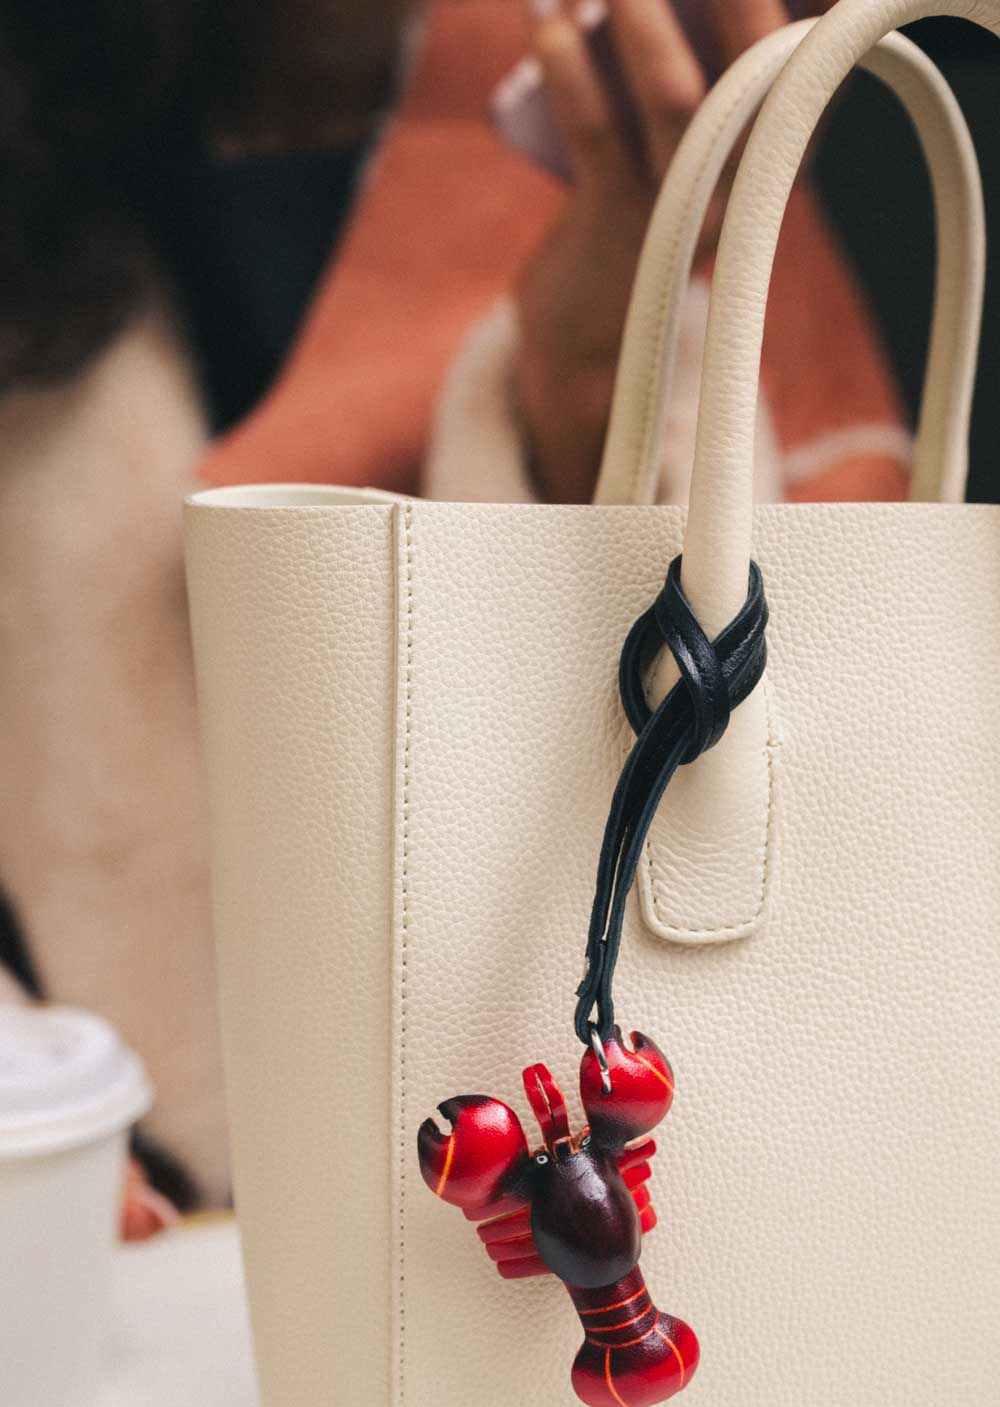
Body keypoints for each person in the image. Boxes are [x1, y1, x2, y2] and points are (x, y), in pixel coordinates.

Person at [0, 0, 908, 1227]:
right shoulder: (55, 131)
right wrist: (28, 1086)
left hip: (552, 1195)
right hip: (93, 1204)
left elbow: (810, 768)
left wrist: (591, 370)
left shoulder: (659, 111)